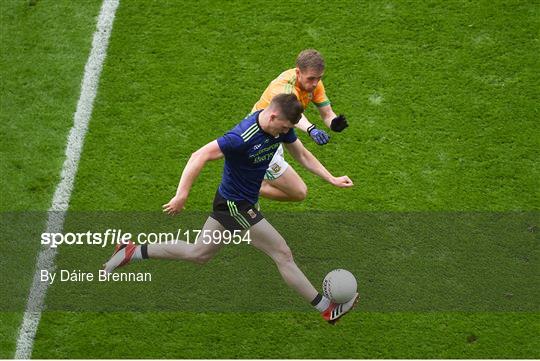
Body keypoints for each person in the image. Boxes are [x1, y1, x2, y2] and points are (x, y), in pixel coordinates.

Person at [103, 94, 358, 324]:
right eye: (285, 127)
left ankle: (132, 251)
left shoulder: (280, 128)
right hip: (237, 205)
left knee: (199, 253)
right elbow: (198, 155)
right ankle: (326, 309)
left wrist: (331, 178)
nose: (287, 132)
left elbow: (301, 155)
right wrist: (182, 194)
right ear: (273, 115)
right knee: (282, 253)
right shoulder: (241, 137)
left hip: (235, 200)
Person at [254, 49, 349, 202]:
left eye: (319, 78)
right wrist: (311, 129)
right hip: (260, 141)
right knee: (298, 192)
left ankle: (247, 187)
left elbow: (326, 114)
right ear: (298, 72)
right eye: (311, 78)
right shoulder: (284, 87)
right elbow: (291, 113)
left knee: (251, 204)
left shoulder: (314, 84)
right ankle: (246, 185)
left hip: (280, 131)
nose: (315, 84)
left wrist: (333, 123)